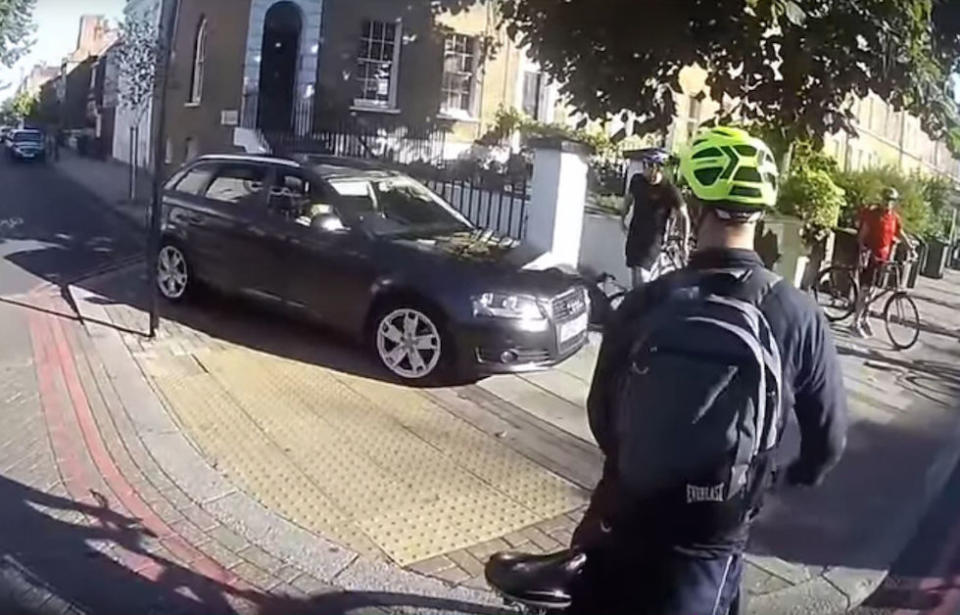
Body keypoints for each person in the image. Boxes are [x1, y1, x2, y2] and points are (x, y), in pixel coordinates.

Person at [571, 127, 848, 614]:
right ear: (761, 213)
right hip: (713, 534)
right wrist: (783, 478)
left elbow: (602, 413)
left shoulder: (645, 301)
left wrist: (638, 461)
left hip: (627, 511)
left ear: (695, 206)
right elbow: (828, 442)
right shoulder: (797, 313)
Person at [622, 148, 690, 288]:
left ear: (658, 168)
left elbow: (684, 215)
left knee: (642, 273)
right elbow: (629, 199)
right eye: (646, 167)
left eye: (652, 168)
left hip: (653, 239)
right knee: (635, 271)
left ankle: (641, 305)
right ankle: (637, 303)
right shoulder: (637, 181)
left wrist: (684, 242)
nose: (648, 172)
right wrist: (622, 217)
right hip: (635, 234)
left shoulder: (669, 190)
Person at [852, 187, 915, 338]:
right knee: (865, 291)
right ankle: (855, 322)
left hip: (883, 258)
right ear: (881, 199)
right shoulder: (873, 215)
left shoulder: (893, 217)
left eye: (891, 200)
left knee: (873, 291)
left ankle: (865, 318)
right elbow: (862, 235)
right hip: (870, 257)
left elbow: (900, 233)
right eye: (886, 199)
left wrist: (911, 248)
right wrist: (863, 251)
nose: (888, 203)